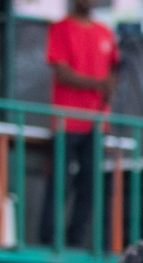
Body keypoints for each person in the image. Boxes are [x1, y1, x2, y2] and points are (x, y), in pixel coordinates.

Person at [41, 0, 119, 248]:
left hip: (97, 123)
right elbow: (62, 73)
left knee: (90, 187)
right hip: (67, 120)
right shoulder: (60, 28)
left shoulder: (105, 31)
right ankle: (49, 241)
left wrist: (110, 85)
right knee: (59, 183)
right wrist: (99, 84)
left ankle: (75, 242)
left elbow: (114, 68)